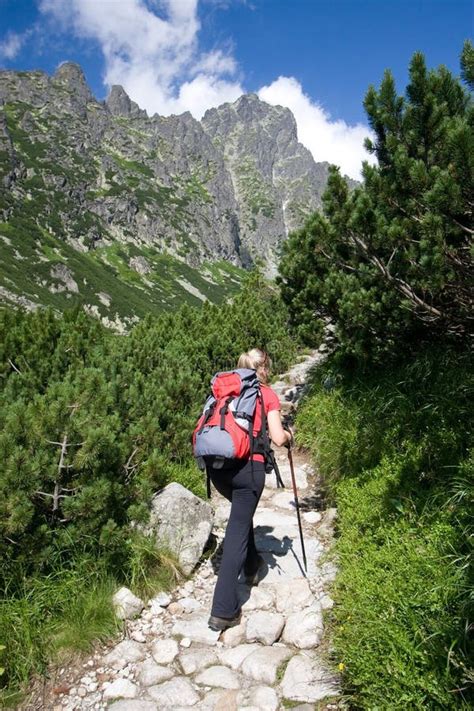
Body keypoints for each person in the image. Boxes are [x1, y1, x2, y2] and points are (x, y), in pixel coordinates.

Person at [207, 348, 293, 632]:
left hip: (219, 470)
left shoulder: (226, 390)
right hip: (248, 471)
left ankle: (252, 564)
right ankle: (223, 609)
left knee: (241, 520)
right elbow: (278, 438)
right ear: (263, 368)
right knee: (236, 530)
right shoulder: (266, 394)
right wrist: (290, 435)